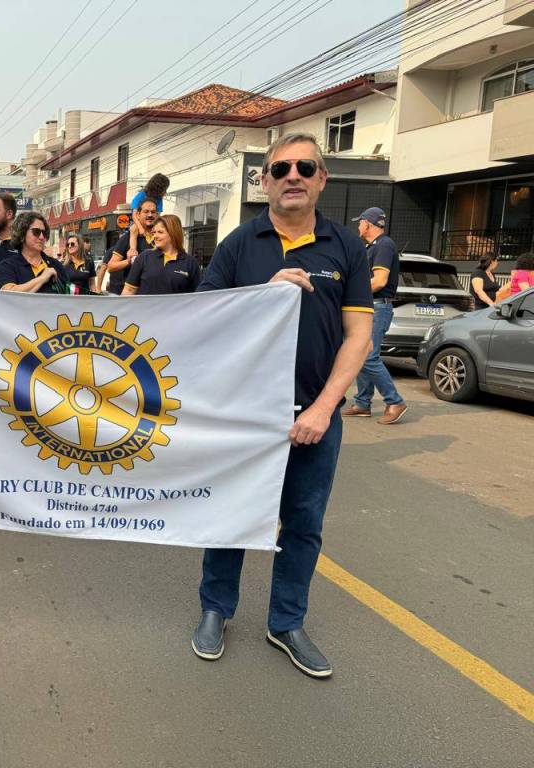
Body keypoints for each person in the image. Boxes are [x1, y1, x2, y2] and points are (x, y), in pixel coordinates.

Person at [191, 133, 372, 679]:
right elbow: (205, 319)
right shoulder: (239, 244)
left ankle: (286, 623)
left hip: (315, 414)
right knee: (231, 516)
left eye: (305, 167)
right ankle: (215, 609)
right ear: (265, 180)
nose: (293, 176)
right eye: (281, 168)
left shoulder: (346, 247)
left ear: (322, 179)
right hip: (244, 416)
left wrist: (324, 408)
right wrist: (265, 293)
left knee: (303, 523)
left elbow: (358, 337)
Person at [342, 207, 407, 424]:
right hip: (370, 308)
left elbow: (380, 281)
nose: (358, 226)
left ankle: (395, 401)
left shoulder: (384, 245)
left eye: (360, 222)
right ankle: (362, 403)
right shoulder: (372, 246)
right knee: (360, 354)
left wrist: (351, 292)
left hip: (378, 307)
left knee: (367, 356)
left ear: (368, 224)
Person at [121, 214, 201, 295]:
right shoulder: (144, 257)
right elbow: (129, 290)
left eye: (160, 232)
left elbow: (196, 297)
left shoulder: (190, 263)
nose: (155, 236)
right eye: (154, 232)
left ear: (173, 233)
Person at [0, 211, 68, 293]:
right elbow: (9, 294)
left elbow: (67, 296)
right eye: (36, 232)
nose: (41, 237)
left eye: (44, 233)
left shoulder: (56, 265)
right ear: (22, 233)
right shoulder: (8, 266)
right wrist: (42, 278)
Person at [106, 198, 158, 295]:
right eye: (146, 212)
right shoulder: (128, 237)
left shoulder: (160, 238)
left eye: (153, 212)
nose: (150, 215)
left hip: (148, 295)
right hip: (125, 295)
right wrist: (129, 261)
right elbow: (111, 267)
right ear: (138, 215)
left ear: (157, 215)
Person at [127, 173, 170, 259]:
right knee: (133, 228)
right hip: (138, 222)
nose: (165, 191)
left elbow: (158, 215)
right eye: (164, 189)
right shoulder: (141, 195)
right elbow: (134, 215)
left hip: (152, 223)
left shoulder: (159, 199)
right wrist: (140, 228)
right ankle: (133, 251)